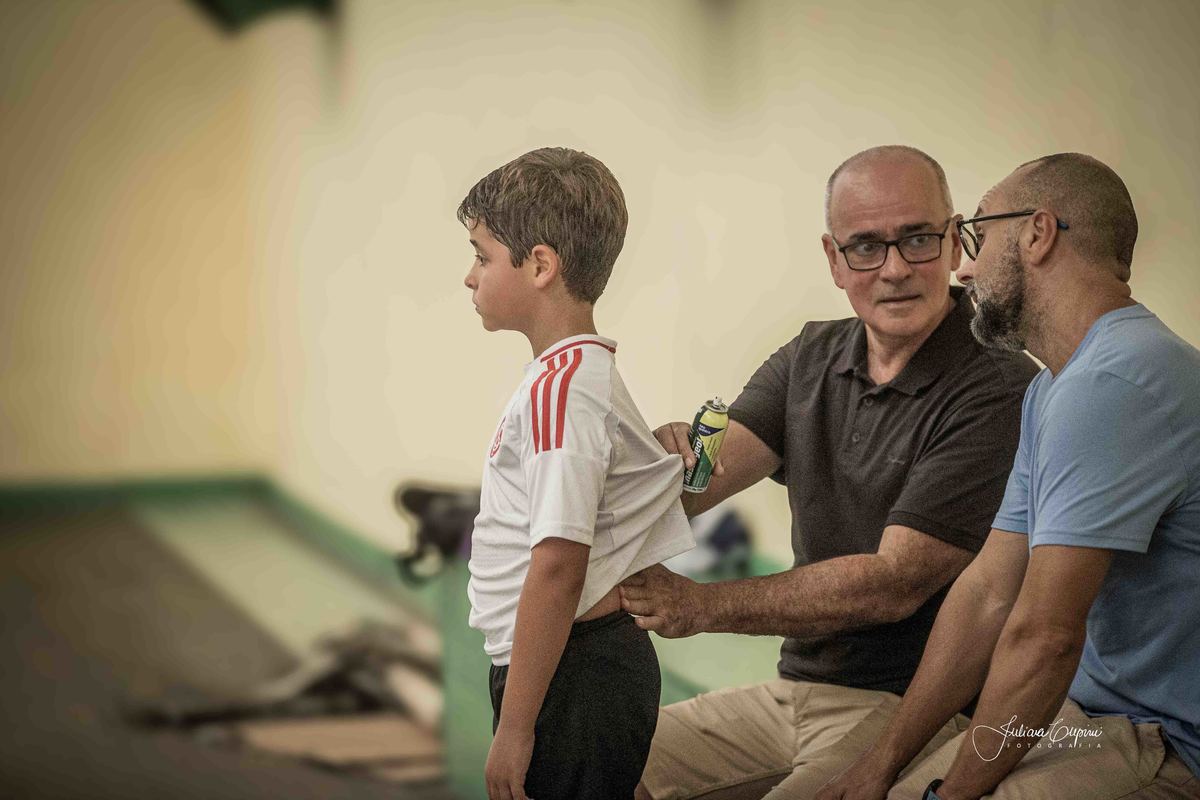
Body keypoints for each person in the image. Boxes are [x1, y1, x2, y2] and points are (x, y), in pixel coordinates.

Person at [619, 145, 1040, 799]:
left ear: (955, 239)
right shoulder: (809, 355)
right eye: (866, 247)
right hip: (794, 690)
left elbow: (894, 583)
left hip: (914, 710)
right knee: (597, 763)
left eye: (918, 239)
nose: (895, 269)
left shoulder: (998, 384)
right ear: (834, 259)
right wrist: (650, 460)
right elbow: (702, 478)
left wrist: (699, 605)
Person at [815, 152, 1200, 800]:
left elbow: (1044, 638)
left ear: (1037, 233)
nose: (963, 268)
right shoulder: (1055, 389)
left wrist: (950, 795)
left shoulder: (1115, 382)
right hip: (1093, 719)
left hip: (1165, 742)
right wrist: (878, 767)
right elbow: (988, 594)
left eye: (977, 236)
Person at [459, 146, 695, 800]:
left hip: (576, 672)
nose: (470, 277)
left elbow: (560, 564)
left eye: (481, 256)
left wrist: (516, 729)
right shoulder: (569, 377)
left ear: (540, 265)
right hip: (567, 665)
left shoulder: (564, 389)